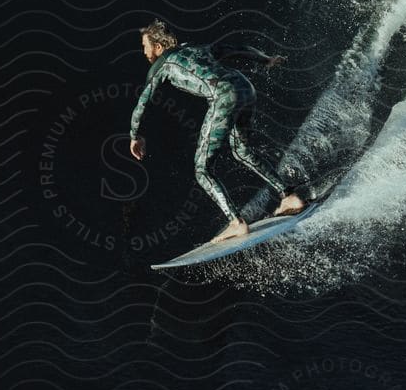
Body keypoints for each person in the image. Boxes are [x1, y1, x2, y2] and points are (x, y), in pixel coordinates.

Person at [127, 19, 307, 245]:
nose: (143, 51)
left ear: (159, 47)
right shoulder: (195, 48)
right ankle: (289, 196)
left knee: (202, 169)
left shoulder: (160, 67)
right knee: (241, 151)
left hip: (224, 96)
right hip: (245, 88)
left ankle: (236, 223)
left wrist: (134, 136)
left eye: (145, 46)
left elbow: (142, 104)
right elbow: (236, 49)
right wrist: (266, 59)